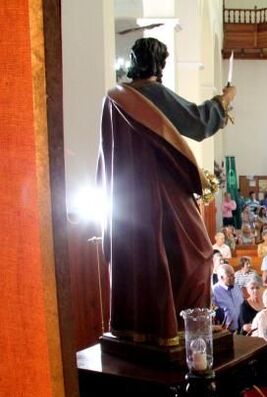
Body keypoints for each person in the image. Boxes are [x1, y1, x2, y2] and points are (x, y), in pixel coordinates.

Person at [97, 37, 235, 347]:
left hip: (126, 200)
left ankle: (145, 326)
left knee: (142, 258)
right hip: (163, 191)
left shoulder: (114, 99)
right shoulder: (150, 95)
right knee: (198, 253)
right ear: (160, 65)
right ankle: (189, 323)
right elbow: (198, 124)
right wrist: (224, 100)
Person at [212, 264, 244, 332]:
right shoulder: (214, 291)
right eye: (230, 275)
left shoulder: (236, 287)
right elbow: (213, 314)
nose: (234, 277)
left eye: (234, 275)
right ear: (221, 277)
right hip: (226, 331)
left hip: (241, 329)